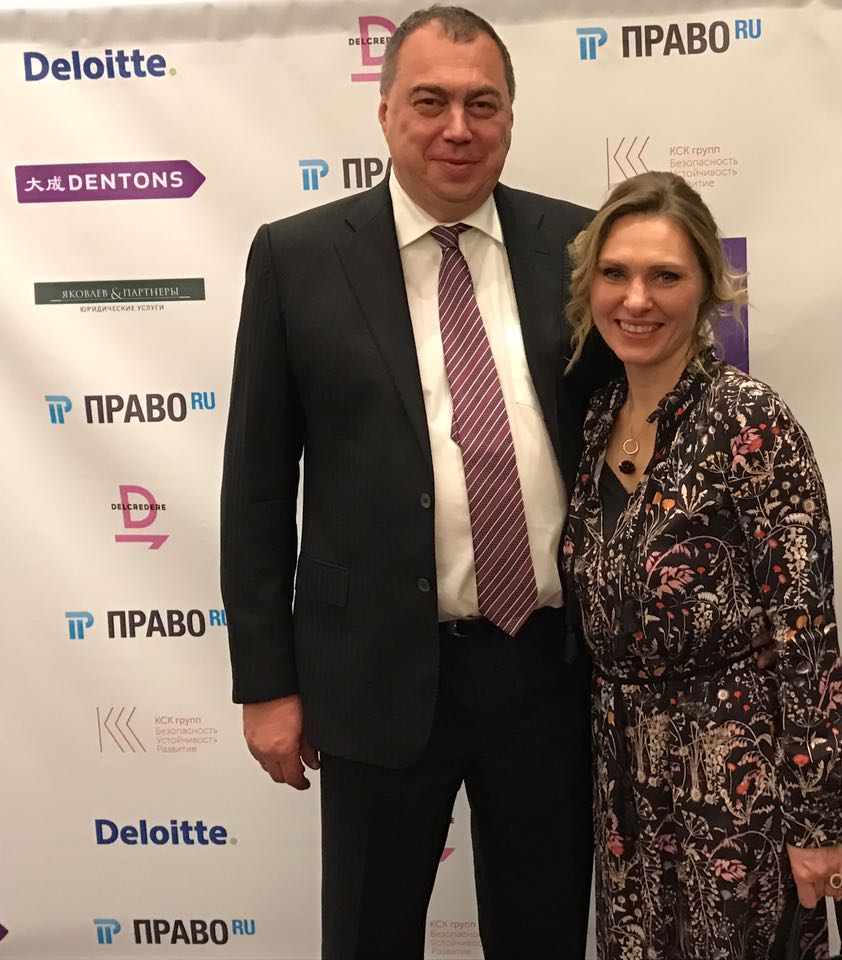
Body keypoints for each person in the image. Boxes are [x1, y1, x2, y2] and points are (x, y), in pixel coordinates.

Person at [220, 7, 616, 957]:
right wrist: (266, 685)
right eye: (430, 102)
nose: (457, 128)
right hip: (373, 670)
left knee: (544, 935)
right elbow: (257, 487)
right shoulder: (297, 256)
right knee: (369, 935)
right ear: (386, 111)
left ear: (511, 116)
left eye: (483, 104)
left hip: (548, 670)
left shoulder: (578, 245)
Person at [560, 171, 842, 960]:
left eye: (666, 276)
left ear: (706, 290)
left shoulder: (749, 421)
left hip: (733, 782)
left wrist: (816, 826)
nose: (636, 300)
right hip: (624, 781)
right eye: (616, 274)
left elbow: (806, 638)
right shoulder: (597, 420)